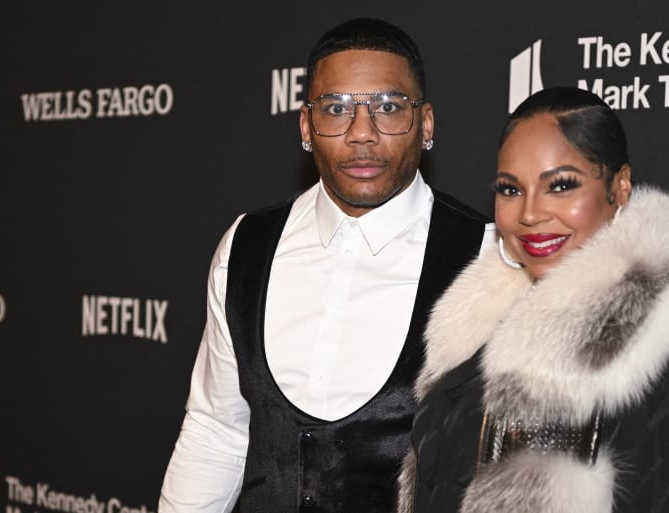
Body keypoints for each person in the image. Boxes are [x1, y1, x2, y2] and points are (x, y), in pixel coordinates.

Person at [159, 18, 492, 513]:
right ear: (306, 126)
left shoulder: (485, 256)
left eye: (387, 107)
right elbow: (216, 429)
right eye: (336, 109)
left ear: (426, 125)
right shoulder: (245, 246)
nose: (362, 134)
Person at [398, 87, 669, 513]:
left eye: (561, 185)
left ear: (619, 188)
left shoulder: (662, 348)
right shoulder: (483, 322)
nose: (530, 214)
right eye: (510, 190)